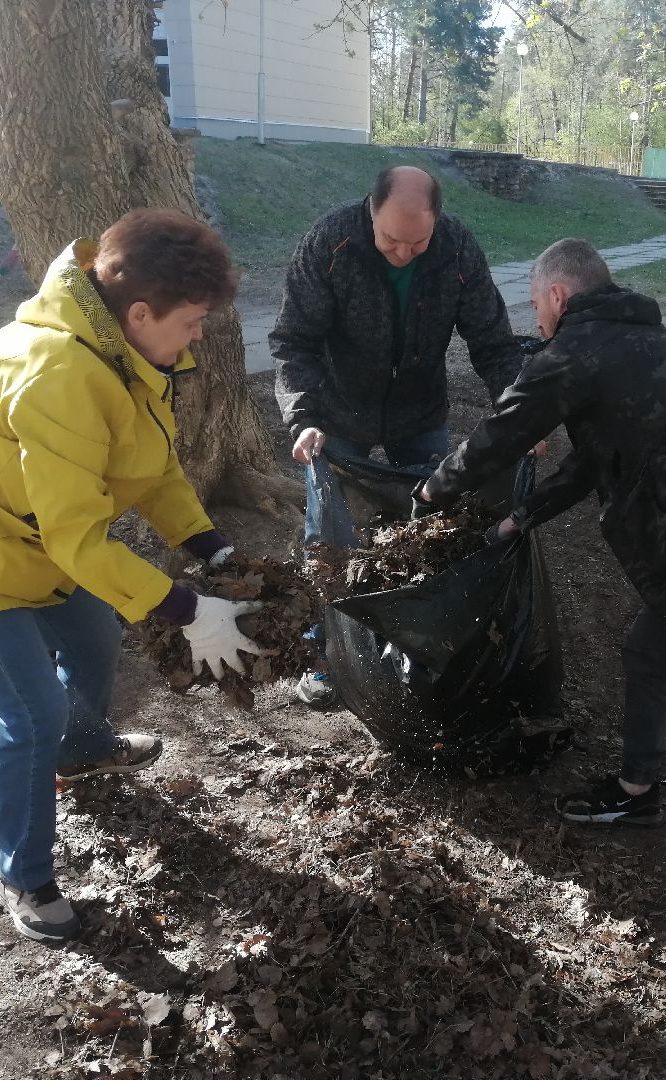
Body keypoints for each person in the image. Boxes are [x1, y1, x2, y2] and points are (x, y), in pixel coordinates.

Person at [0, 210, 264, 945]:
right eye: (194, 320)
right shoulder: (57, 374)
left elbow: (151, 464)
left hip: (27, 536)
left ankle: (83, 751)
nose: (200, 334)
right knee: (33, 712)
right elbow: (79, 541)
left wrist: (211, 549)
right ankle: (21, 875)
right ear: (140, 312)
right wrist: (186, 608)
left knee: (94, 638)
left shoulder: (125, 356)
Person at [413, 239, 666, 993]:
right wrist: (514, 522)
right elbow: (589, 464)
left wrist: (432, 494)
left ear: (558, 296)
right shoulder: (635, 341)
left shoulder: (581, 349)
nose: (536, 314)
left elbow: (499, 432)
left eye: (535, 301)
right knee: (646, 651)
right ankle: (637, 791)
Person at [272, 164, 525, 708]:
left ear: (438, 221)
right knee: (329, 537)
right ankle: (325, 654)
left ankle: (421, 645)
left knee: (437, 529)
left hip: (419, 413)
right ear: (371, 210)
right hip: (337, 416)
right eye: (391, 239)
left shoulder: (456, 249)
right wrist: (303, 416)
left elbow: (494, 343)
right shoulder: (330, 242)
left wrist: (520, 415)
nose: (405, 252)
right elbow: (294, 342)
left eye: (419, 241)